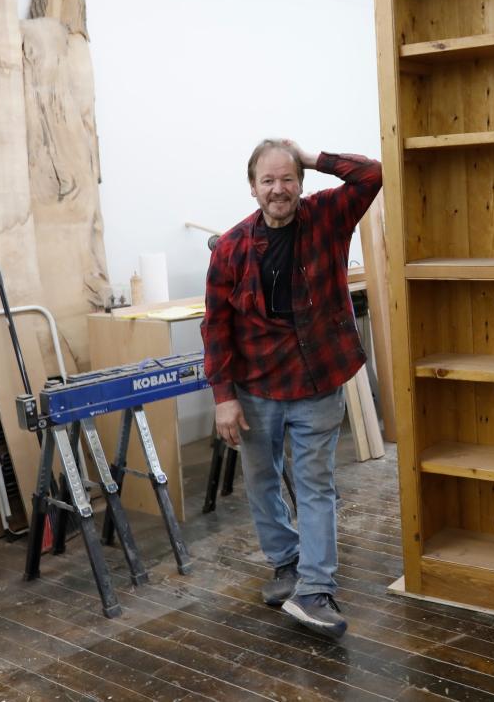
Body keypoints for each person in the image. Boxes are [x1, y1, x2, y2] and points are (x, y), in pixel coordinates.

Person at [201, 138, 381, 638]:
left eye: (288, 178)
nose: (279, 189)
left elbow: (372, 175)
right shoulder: (233, 248)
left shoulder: (327, 216)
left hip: (318, 380)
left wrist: (311, 157)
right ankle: (286, 563)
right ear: (253, 187)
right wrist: (224, 396)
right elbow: (216, 327)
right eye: (268, 180)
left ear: (300, 182)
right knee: (261, 481)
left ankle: (315, 590)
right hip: (256, 388)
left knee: (314, 485)